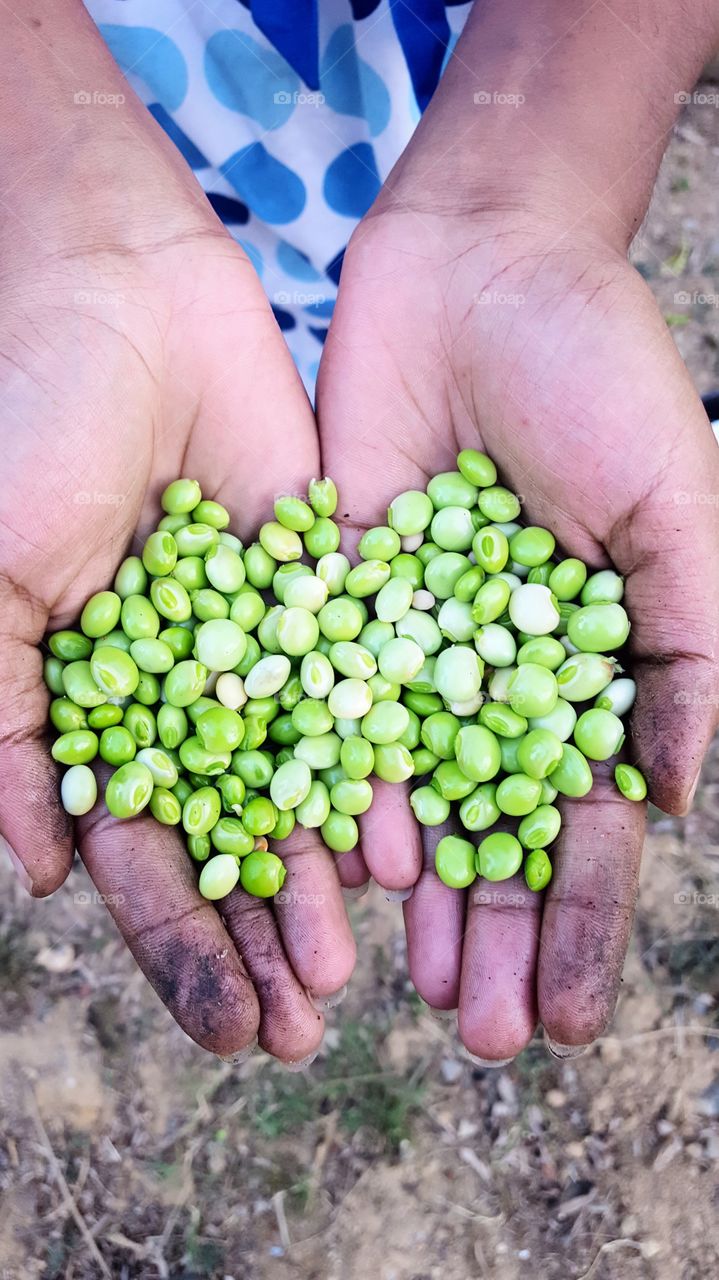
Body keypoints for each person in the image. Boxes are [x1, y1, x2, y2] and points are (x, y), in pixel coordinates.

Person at [1, 0, 718, 1068]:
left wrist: (527, 186)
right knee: (247, 370)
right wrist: (64, 194)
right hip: (130, 146)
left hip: (455, 95)